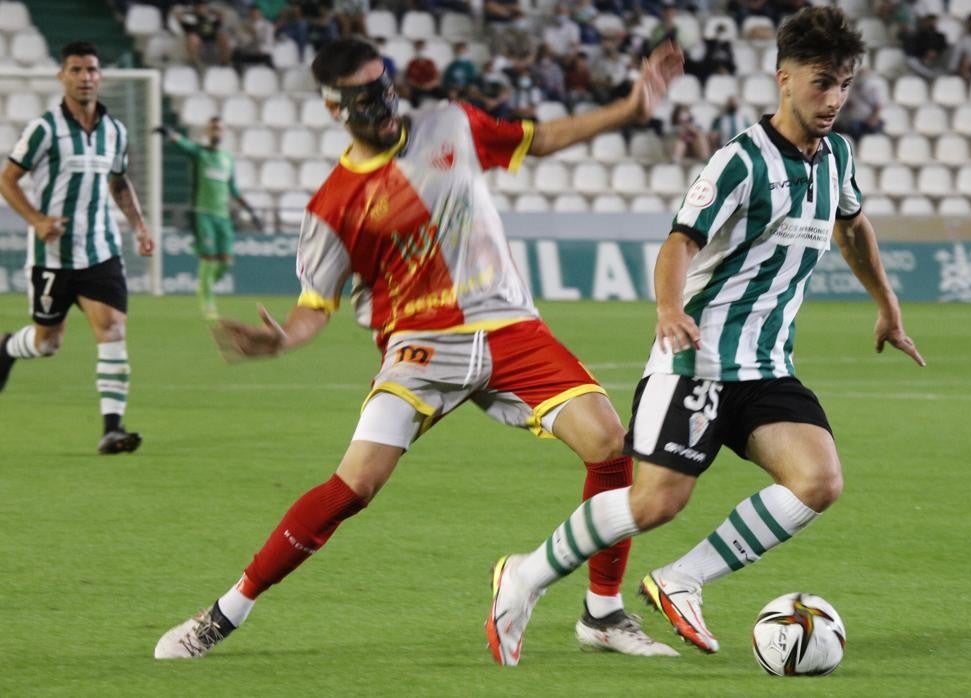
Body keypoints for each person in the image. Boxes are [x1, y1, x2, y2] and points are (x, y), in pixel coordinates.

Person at [153, 36, 687, 661]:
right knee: (353, 487)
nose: (382, 102)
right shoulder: (333, 207)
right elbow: (312, 307)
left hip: (510, 327)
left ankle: (602, 612)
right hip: (421, 346)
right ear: (333, 108)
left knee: (608, 444)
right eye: (363, 96)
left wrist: (629, 108)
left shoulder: (451, 124)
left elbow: (535, 139)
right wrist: (280, 340)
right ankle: (224, 612)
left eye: (385, 86)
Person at [485, 6, 925, 666]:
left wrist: (887, 306)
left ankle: (681, 580)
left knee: (819, 480)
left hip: (766, 366)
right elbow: (677, 244)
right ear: (784, 78)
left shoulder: (837, 157)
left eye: (844, 84)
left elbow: (853, 227)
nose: (833, 99)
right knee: (656, 501)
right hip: (697, 360)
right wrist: (668, 309)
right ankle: (524, 575)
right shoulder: (739, 162)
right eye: (821, 82)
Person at [0, 41, 155, 453]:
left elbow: (119, 183)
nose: (85, 77)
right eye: (76, 70)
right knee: (46, 343)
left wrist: (139, 226)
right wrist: (36, 220)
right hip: (54, 255)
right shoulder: (44, 129)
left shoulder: (115, 131)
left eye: (91, 70)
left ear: (100, 76)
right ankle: (7, 347)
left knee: (113, 329)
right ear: (62, 76)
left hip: (102, 250)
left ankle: (112, 428)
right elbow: (7, 179)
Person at [155, 117, 262, 319]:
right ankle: (208, 303)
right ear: (208, 131)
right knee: (209, 259)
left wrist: (252, 211)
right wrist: (170, 134)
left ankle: (205, 286)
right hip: (203, 213)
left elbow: (233, 189)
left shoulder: (227, 159)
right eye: (213, 128)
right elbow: (184, 145)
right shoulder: (200, 153)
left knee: (226, 263)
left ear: (224, 133)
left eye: (220, 128)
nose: (217, 131)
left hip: (223, 217)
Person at [832, 65, 886, 142]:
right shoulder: (851, 89)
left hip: (866, 122)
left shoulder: (873, 90)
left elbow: (878, 107)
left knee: (856, 128)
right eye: (859, 74)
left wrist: (872, 119)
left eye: (863, 75)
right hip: (852, 120)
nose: (861, 77)